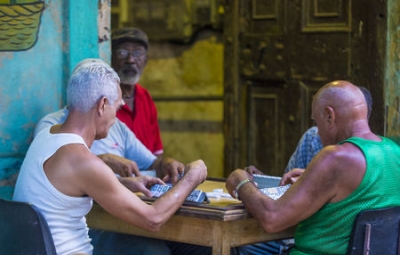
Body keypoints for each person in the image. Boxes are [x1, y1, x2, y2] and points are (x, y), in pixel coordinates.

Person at [14, 59, 207, 255]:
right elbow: (153, 219)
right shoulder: (83, 161)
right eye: (117, 108)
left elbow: (68, 186)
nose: (116, 117)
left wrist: (122, 183)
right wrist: (192, 177)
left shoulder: (48, 135)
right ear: (102, 105)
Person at [226, 80, 400, 255]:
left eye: (317, 122)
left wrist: (241, 181)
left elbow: (272, 218)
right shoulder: (393, 151)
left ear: (329, 116)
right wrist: (312, 179)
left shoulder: (335, 157)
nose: (317, 132)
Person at [111, 27, 163, 156]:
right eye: (122, 52)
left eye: (137, 53)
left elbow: (157, 152)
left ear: (145, 60)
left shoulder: (145, 97)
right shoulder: (104, 99)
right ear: (111, 58)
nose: (130, 60)